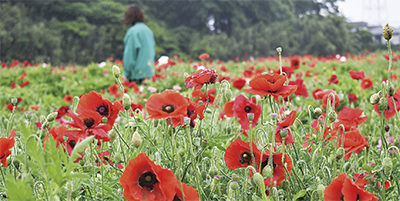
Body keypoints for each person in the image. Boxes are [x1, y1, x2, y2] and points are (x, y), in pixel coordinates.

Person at [122, 4, 156, 85]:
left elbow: (130, 55)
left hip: (135, 76)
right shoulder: (148, 31)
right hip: (149, 74)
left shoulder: (133, 32)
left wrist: (126, 73)